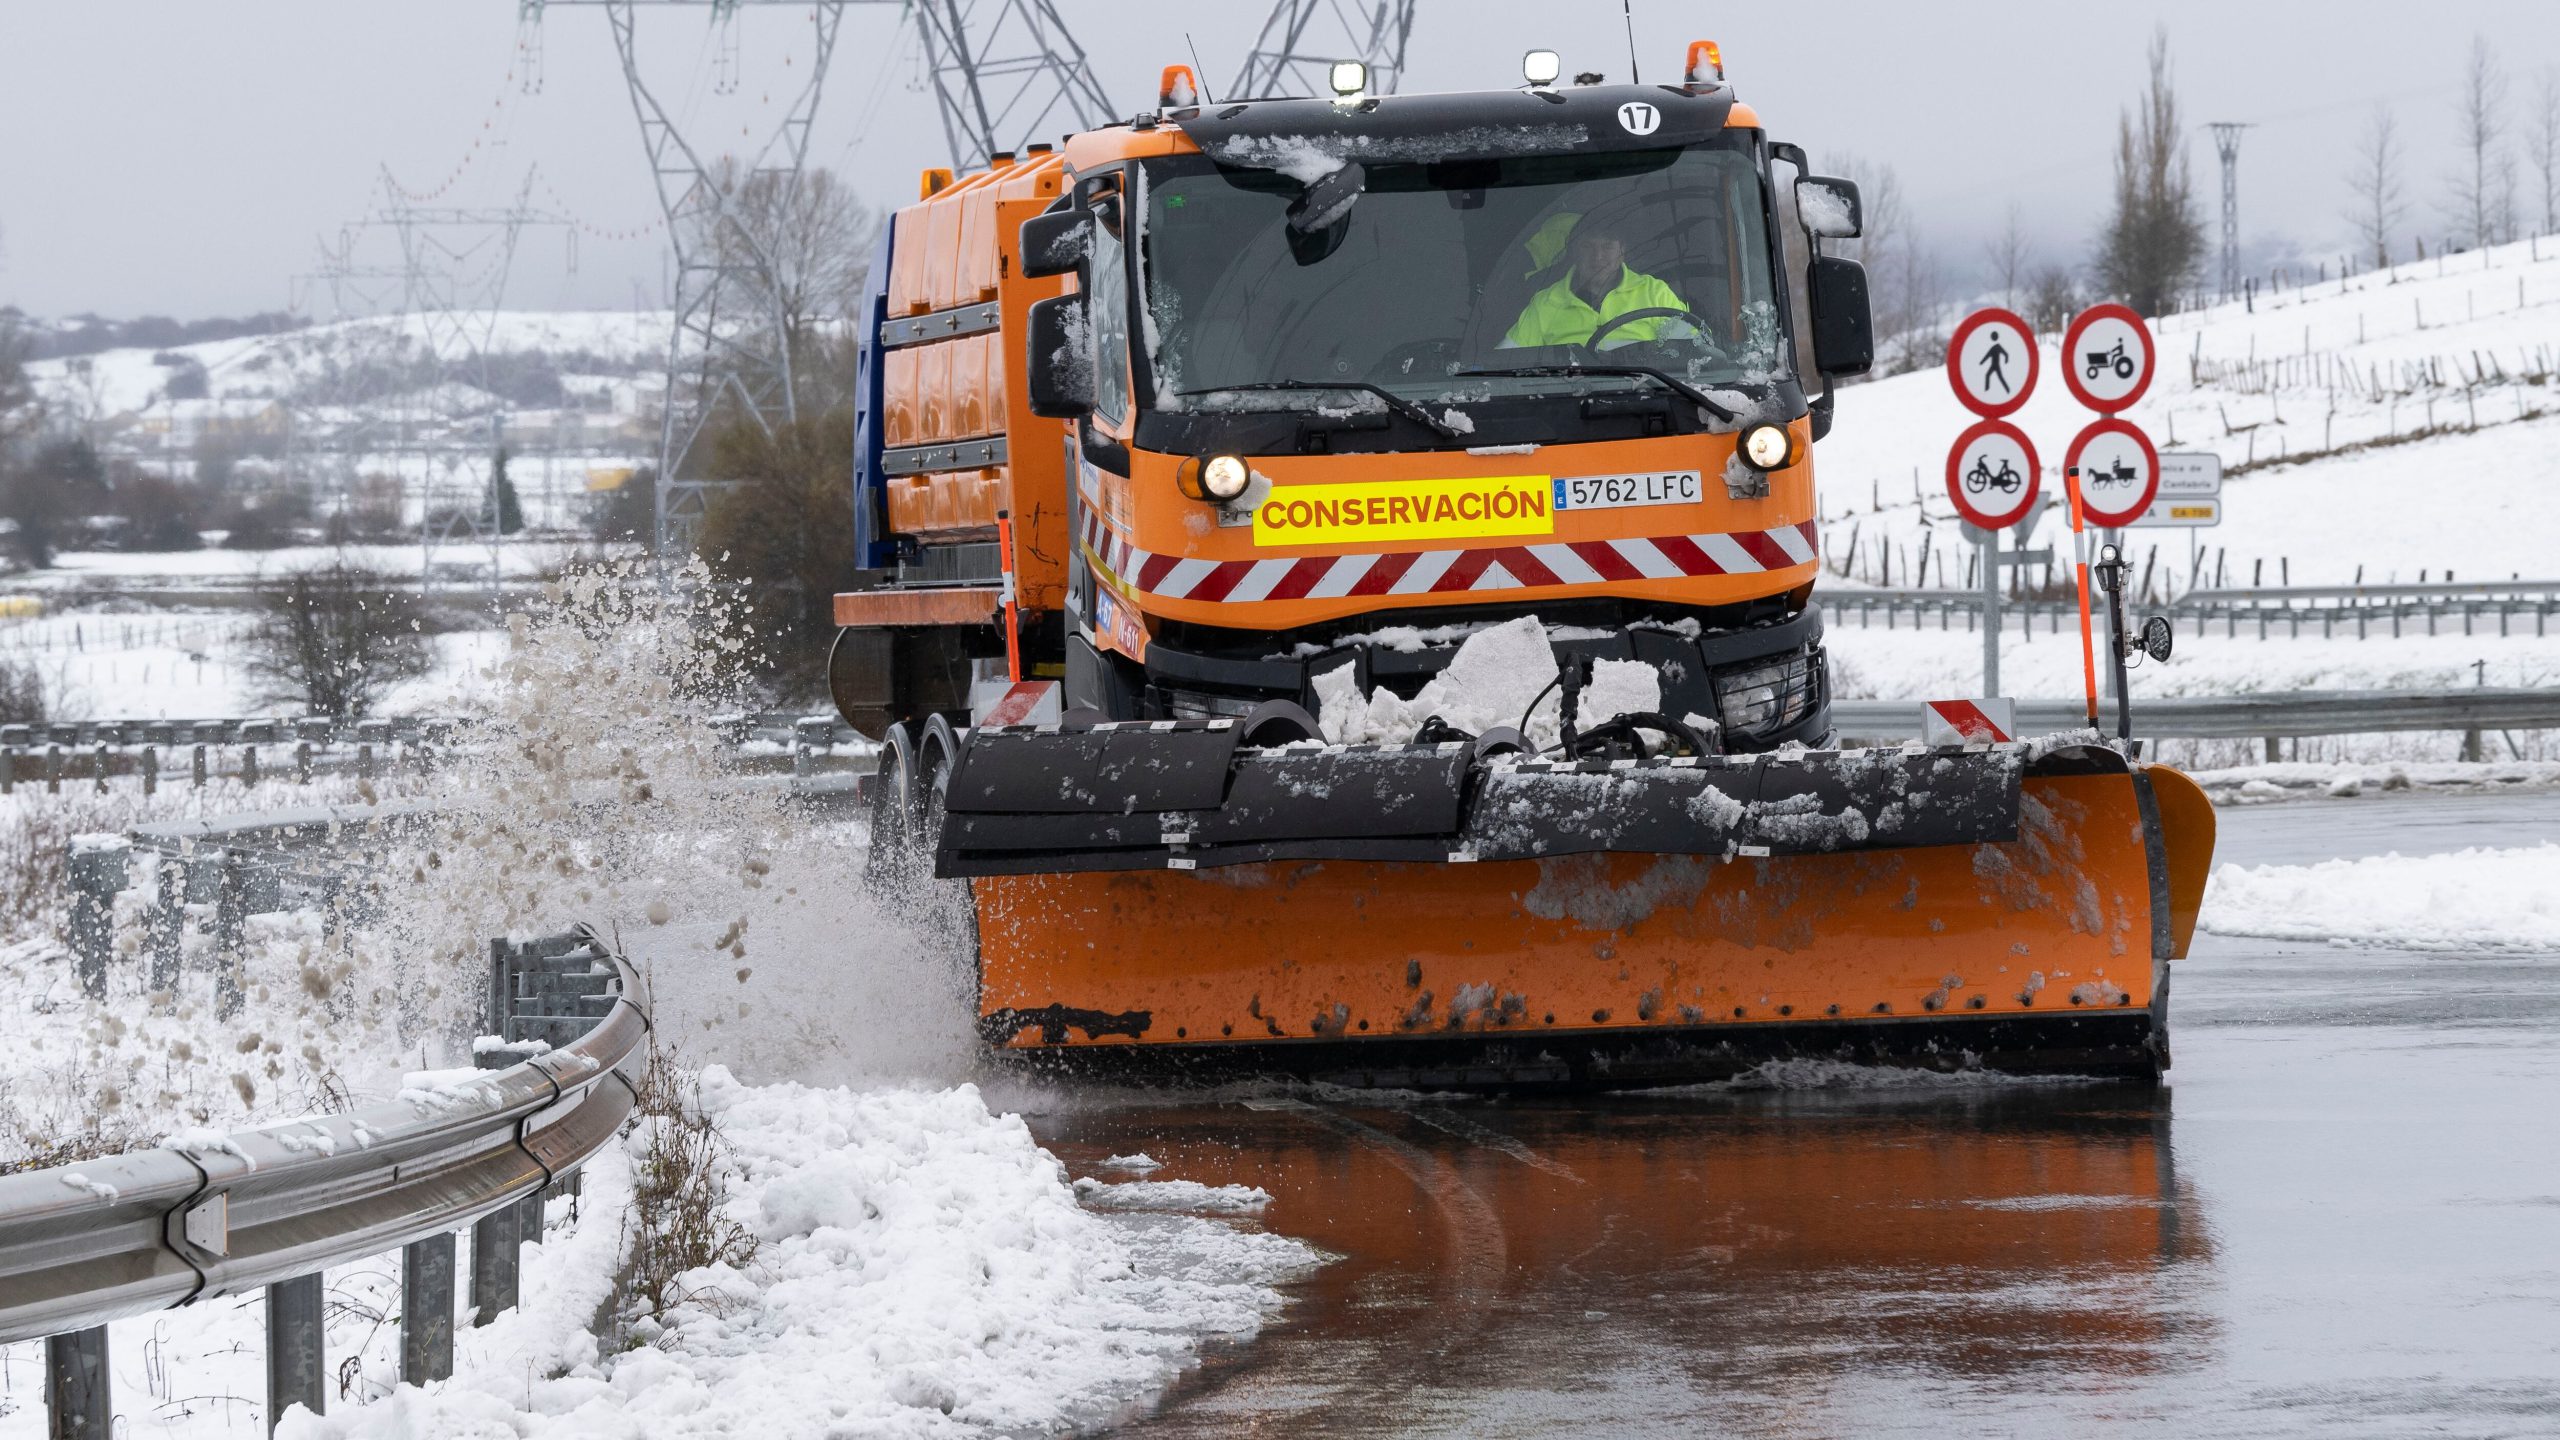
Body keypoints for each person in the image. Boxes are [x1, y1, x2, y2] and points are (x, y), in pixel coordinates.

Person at [1503, 219, 1692, 348]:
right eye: (1588, 246)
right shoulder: (1544, 303)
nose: (1598, 256)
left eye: (1607, 246)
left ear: (1622, 252)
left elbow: (1693, 351)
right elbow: (1507, 362)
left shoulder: (1655, 293)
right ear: (1575, 253)